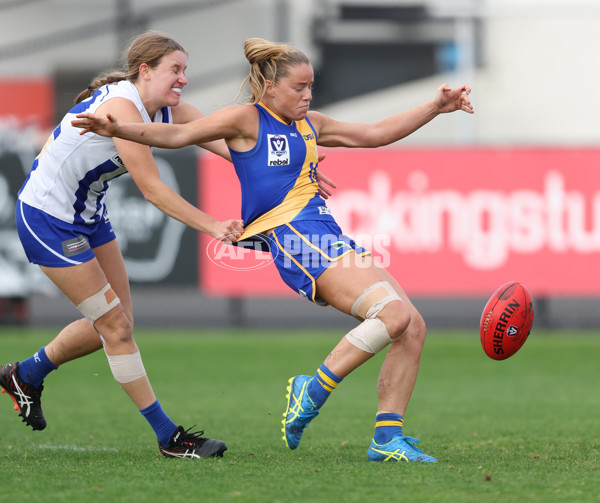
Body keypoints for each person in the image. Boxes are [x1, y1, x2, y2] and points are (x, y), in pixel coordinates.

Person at [72, 37, 474, 463]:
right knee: (392, 315)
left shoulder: (310, 124)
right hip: (293, 237)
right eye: (299, 87)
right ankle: (312, 388)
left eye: (310, 87)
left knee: (413, 326)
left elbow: (374, 134)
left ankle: (387, 438)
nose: (307, 95)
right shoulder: (246, 119)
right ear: (269, 86)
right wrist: (119, 129)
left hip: (324, 232)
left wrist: (435, 108)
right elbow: (177, 134)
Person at [0, 31, 253, 460]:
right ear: (145, 70)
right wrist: (212, 225)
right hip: (46, 219)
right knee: (115, 327)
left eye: (185, 71)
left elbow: (231, 146)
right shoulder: (121, 107)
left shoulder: (166, 110)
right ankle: (169, 438)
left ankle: (25, 374)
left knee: (118, 326)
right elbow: (152, 190)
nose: (183, 80)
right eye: (175, 70)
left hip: (88, 216)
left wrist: (288, 176)